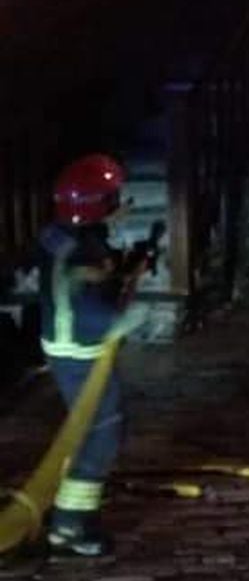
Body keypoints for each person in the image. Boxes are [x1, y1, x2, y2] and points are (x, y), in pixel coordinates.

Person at [36, 154, 148, 558]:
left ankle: (65, 506)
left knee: (86, 427)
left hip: (66, 345)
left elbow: (91, 282)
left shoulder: (62, 237)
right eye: (113, 198)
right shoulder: (81, 254)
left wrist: (124, 270)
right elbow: (88, 304)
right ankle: (71, 525)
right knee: (102, 433)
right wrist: (126, 319)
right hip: (80, 349)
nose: (121, 204)